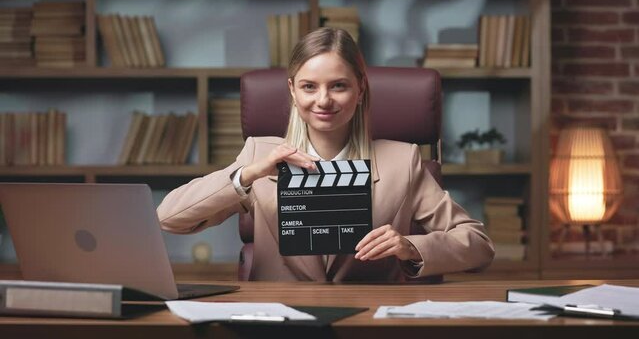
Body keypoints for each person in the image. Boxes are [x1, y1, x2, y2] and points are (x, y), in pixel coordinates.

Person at [157, 27, 494, 282]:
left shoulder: (401, 161)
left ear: (360, 89)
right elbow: (168, 217)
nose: (323, 100)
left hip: (369, 321)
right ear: (292, 89)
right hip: (278, 320)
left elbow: (478, 244)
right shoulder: (259, 154)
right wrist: (247, 174)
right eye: (309, 86)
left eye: (338, 85)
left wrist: (411, 247)